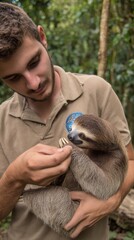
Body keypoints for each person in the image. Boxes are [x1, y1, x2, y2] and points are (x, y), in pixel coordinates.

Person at [0, 2, 133, 240]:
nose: (33, 83)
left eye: (34, 62)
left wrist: (111, 201)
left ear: (43, 37)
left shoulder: (97, 91)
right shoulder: (1, 120)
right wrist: (15, 177)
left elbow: (130, 160)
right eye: (13, 77)